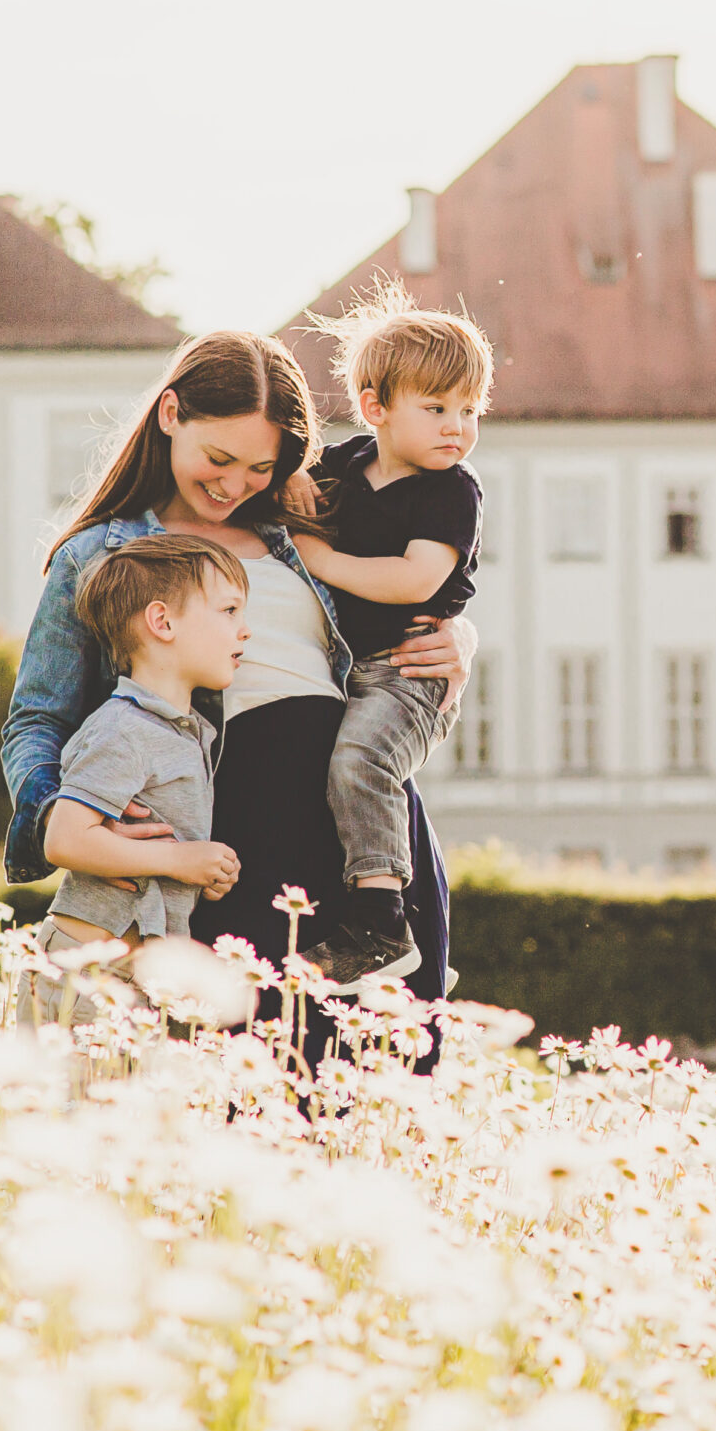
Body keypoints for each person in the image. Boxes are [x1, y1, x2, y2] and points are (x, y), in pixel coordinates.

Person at [0, 328, 476, 1040]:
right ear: (170, 415)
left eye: (261, 467)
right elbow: (37, 719)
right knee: (249, 1078)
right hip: (232, 849)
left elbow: (408, 587)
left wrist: (457, 638)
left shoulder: (309, 524)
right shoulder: (100, 554)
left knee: (387, 1079)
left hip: (364, 861)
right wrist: (63, 817)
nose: (234, 485)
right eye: (218, 459)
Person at [282, 288, 490, 988]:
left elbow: (414, 579)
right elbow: (281, 496)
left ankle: (382, 923)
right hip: (351, 668)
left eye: (470, 410)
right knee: (338, 778)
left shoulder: (452, 491)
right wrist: (290, 484)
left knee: (361, 761)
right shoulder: (343, 467)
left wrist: (321, 559)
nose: (457, 427)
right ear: (376, 408)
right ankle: (408, 936)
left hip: (410, 673)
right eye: (436, 409)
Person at [37, 534, 249, 970]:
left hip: (139, 974)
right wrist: (178, 861)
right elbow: (64, 840)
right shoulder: (124, 728)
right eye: (229, 610)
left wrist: (201, 872)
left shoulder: (183, 732)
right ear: (163, 622)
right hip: (86, 972)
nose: (245, 630)